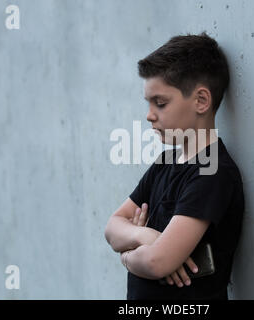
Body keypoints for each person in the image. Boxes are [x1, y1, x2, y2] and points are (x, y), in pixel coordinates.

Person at [104, 32, 245, 300]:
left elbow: (158, 262)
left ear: (201, 101)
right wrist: (146, 237)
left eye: (160, 103)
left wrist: (127, 254)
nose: (149, 115)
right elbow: (112, 228)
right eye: (148, 103)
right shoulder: (164, 163)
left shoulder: (212, 172)